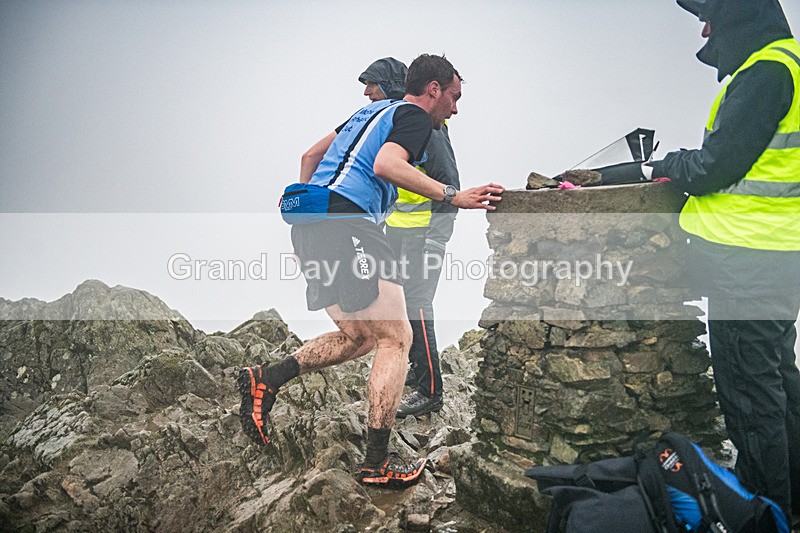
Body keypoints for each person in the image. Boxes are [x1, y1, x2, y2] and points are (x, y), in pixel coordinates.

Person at [237, 54, 504, 488]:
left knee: (360, 337)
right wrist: (452, 196)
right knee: (397, 338)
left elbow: (309, 156)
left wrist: (317, 209)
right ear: (433, 89)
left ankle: (265, 380)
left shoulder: (367, 112)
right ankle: (377, 462)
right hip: (349, 226)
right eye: (454, 97)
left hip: (309, 227)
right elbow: (386, 166)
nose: (455, 108)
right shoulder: (415, 116)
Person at [641, 0, 800, 519]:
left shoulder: (766, 74)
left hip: (747, 261)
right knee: (779, 384)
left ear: (739, 18)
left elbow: (715, 167)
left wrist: (665, 164)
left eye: (710, 17)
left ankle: (766, 517)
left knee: (753, 400)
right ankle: (790, 506)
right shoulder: (789, 64)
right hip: (778, 255)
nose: (705, 30)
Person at [358, 57, 460, 418]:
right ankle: (417, 378)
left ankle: (431, 391)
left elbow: (450, 184)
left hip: (424, 235)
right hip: (396, 233)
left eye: (372, 85)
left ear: (390, 86)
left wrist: (437, 239)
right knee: (398, 308)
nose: (367, 92)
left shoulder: (428, 128)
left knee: (417, 305)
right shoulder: (395, 123)